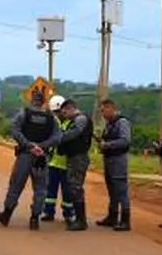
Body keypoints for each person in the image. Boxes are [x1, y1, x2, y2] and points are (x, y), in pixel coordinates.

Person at [0, 88, 63, 230]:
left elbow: (15, 131)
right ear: (43, 102)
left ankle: (6, 215)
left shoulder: (24, 114)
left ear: (32, 100)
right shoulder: (51, 119)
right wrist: (41, 147)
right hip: (41, 156)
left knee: (16, 185)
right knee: (40, 188)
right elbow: (57, 137)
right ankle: (34, 219)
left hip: (25, 155)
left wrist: (29, 145)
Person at [94, 99, 132, 231]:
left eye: (103, 110)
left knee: (121, 190)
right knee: (112, 190)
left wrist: (108, 145)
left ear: (110, 108)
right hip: (109, 159)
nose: (102, 113)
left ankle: (125, 220)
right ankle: (112, 216)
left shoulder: (122, 122)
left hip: (118, 160)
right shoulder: (109, 124)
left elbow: (125, 140)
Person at [53, 97, 91, 231]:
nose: (63, 116)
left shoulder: (80, 119)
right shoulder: (74, 120)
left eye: (64, 113)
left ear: (70, 108)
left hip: (78, 157)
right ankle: (79, 219)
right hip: (73, 157)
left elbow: (73, 133)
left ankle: (81, 220)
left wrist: (59, 137)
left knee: (76, 187)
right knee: (73, 186)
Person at [41, 95, 75, 223]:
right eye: (54, 112)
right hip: (53, 162)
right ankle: (49, 212)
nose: (57, 114)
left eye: (58, 111)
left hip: (67, 163)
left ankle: (68, 214)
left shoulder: (72, 123)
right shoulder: (53, 123)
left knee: (67, 192)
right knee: (50, 190)